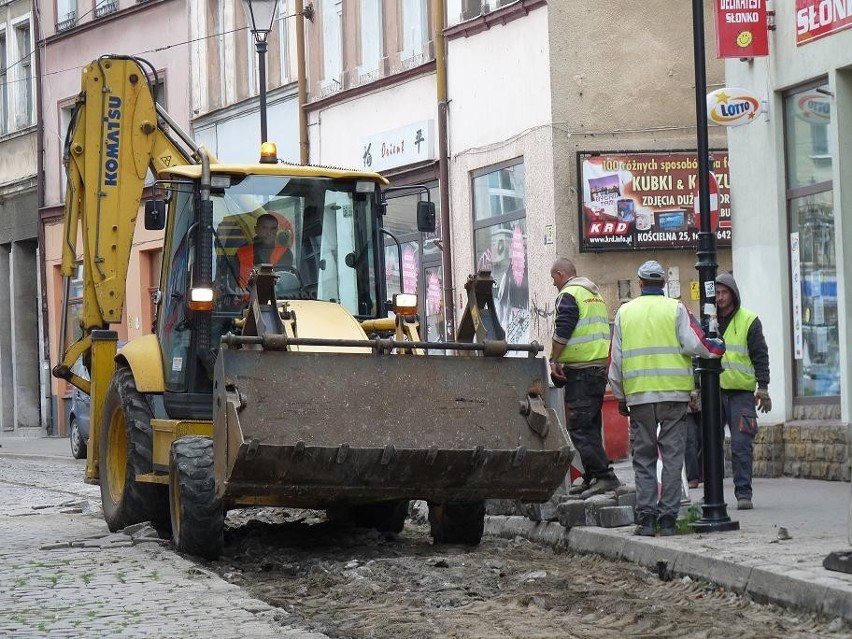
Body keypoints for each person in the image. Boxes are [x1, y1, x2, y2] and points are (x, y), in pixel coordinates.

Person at [608, 260, 725, 537]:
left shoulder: (625, 313)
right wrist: (718, 348)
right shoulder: (676, 309)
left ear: (639, 283)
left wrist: (621, 396)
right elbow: (698, 343)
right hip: (674, 395)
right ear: (663, 284)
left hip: (639, 397)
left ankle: (647, 519)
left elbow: (615, 362)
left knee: (644, 458)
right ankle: (669, 519)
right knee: (673, 458)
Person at [549, 257, 620, 499]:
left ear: (560, 274)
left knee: (579, 427)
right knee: (590, 425)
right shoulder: (594, 294)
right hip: (597, 368)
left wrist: (554, 358)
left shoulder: (569, 294)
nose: (554, 284)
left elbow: (563, 329)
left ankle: (603, 476)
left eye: (553, 279)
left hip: (581, 370)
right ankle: (592, 475)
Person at [715, 272, 771, 511]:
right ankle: (714, 495)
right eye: (716, 293)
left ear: (733, 294)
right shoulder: (710, 320)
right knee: (710, 446)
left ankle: (743, 494)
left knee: (741, 446)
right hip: (715, 392)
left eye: (724, 292)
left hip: (741, 394)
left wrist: (764, 387)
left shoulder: (749, 320)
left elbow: (760, 355)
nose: (719, 298)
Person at [234, 212, 294, 289]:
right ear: (256, 229)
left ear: (277, 230)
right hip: (245, 299)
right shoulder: (241, 253)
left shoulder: (285, 253)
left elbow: (284, 281)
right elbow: (233, 282)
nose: (269, 233)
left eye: (273, 228)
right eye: (264, 228)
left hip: (278, 299)